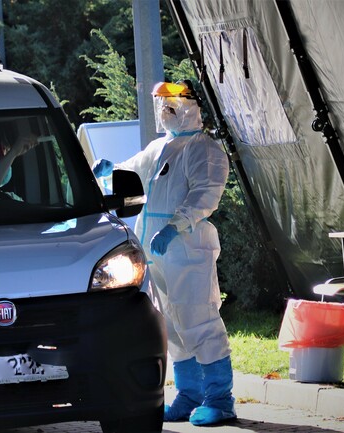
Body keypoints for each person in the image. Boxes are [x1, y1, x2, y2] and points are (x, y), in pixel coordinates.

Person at [92, 81, 235, 426]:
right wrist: (110, 170)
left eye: (172, 101)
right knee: (171, 324)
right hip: (157, 253)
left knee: (198, 320)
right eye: (161, 102)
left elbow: (205, 195)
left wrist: (174, 226)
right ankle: (188, 395)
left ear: (191, 105)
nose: (165, 108)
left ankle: (220, 398)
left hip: (187, 250)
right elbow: (132, 170)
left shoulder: (205, 150)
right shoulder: (160, 148)